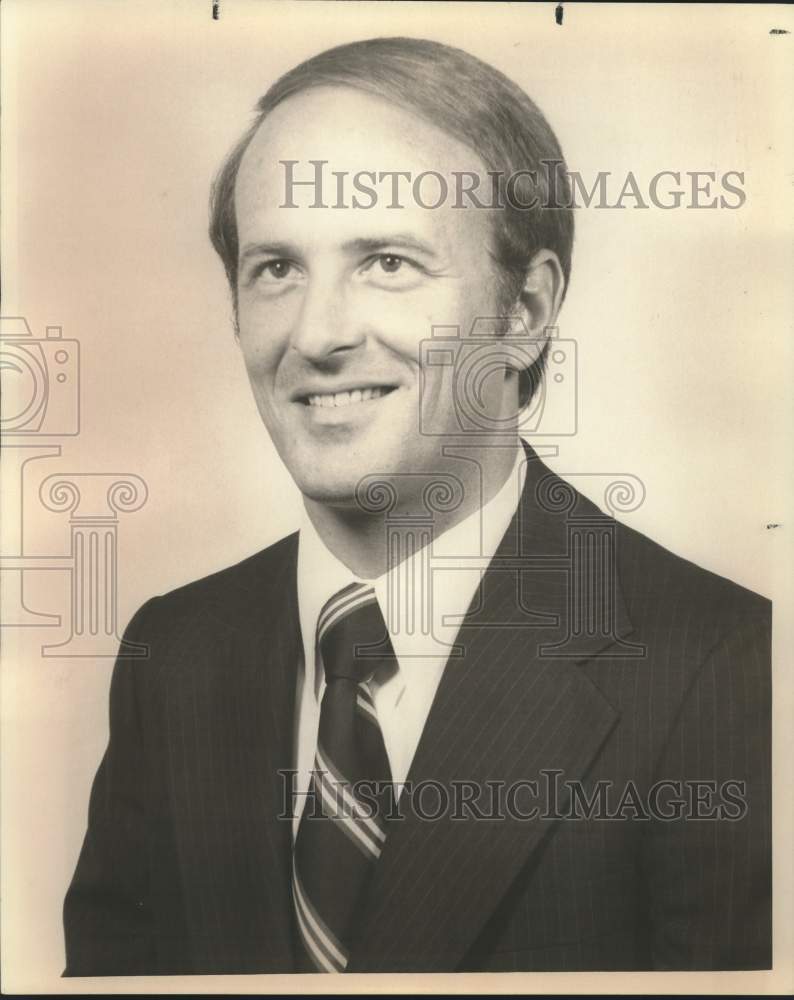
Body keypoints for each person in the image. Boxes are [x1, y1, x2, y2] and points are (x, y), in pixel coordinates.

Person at [63, 36, 771, 975]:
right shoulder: (176, 653)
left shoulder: (724, 668)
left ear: (523, 312)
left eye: (388, 262)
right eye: (276, 269)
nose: (316, 337)